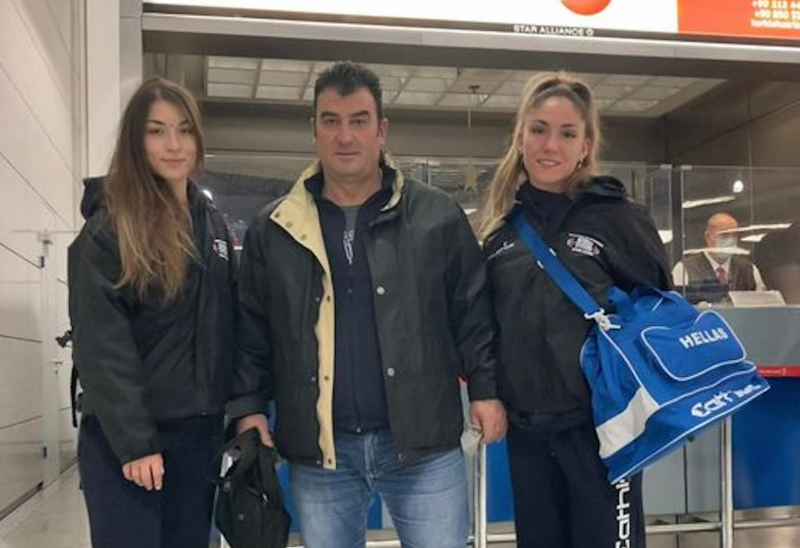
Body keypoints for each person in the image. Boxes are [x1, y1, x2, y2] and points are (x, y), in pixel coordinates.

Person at [228, 61, 506, 548]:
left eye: (359, 120)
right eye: (331, 121)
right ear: (314, 129)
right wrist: (249, 407)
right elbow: (252, 330)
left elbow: (472, 313)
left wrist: (485, 390)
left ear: (382, 129)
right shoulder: (275, 229)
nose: (345, 136)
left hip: (423, 445)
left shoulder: (436, 216)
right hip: (322, 453)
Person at [479, 72, 671, 548]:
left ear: (585, 146)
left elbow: (660, 311)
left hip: (603, 433)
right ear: (521, 137)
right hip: (529, 435)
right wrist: (489, 394)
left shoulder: (618, 218)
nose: (551, 145)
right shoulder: (502, 236)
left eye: (567, 133)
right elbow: (486, 327)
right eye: (539, 129)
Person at [70, 77, 238, 548]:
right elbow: (103, 344)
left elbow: (230, 325)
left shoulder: (212, 224)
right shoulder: (112, 226)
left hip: (198, 437)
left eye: (184, 130)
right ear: (135, 140)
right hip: (129, 442)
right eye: (156, 131)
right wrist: (136, 443)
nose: (173, 144)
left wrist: (242, 410)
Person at [671, 212, 767, 292]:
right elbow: (675, 306)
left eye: (734, 235)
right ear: (708, 237)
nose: (731, 240)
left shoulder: (749, 270)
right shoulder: (684, 270)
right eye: (724, 235)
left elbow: (762, 305)